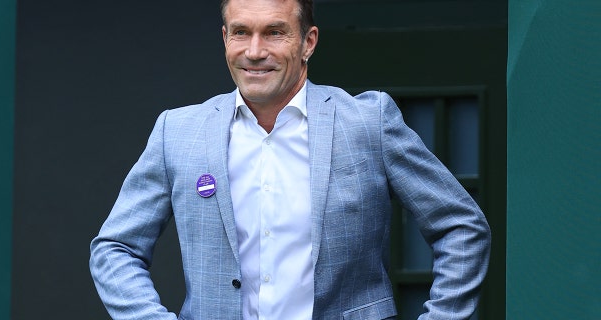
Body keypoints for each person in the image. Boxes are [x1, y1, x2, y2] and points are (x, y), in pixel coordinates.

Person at [89, 0, 491, 319]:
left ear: (308, 42)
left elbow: (461, 226)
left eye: (275, 32)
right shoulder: (177, 132)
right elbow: (115, 248)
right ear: (224, 37)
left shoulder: (369, 122)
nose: (255, 51)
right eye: (241, 32)